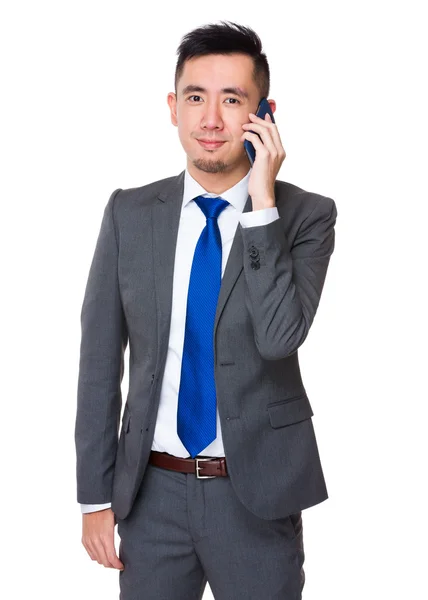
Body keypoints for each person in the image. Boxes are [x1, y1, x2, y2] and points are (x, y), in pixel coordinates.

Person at [75, 20, 338, 600]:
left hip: (256, 498)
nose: (211, 119)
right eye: (196, 97)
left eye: (232, 99)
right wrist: (95, 497)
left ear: (263, 112)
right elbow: (99, 363)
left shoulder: (306, 218)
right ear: (173, 107)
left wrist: (262, 204)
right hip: (151, 497)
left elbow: (278, 337)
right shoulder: (129, 213)